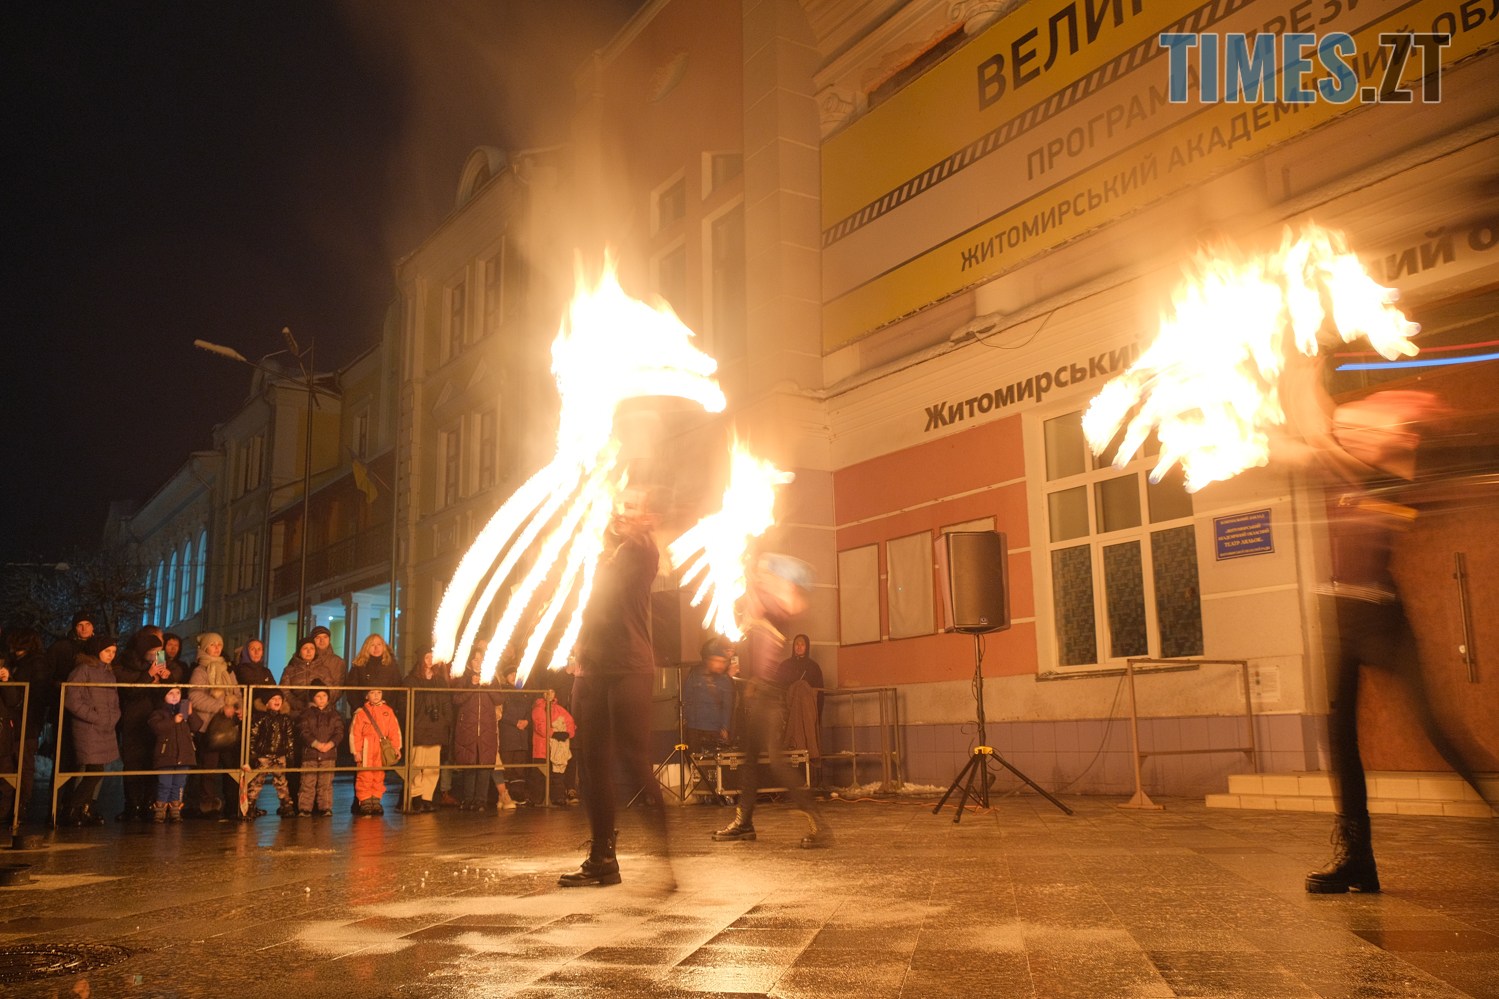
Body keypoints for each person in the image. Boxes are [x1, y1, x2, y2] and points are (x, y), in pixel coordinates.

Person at [1277, 380, 1494, 893]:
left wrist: (1314, 420)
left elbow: (1327, 443)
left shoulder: (1392, 474)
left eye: (1367, 429)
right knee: (1340, 738)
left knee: (1434, 726)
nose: (1354, 433)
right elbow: (1310, 432)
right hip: (1338, 613)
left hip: (1381, 617)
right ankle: (1358, 858)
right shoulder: (1339, 467)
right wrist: (1298, 372)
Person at [559, 486, 665, 888]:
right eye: (619, 504)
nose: (622, 510)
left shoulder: (642, 551)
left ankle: (666, 861)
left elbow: (628, 565)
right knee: (591, 764)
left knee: (634, 761)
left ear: (645, 515)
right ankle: (602, 856)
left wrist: (634, 529)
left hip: (629, 667)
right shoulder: (600, 551)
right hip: (591, 670)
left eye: (632, 506)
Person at [713, 554, 832, 849]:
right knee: (750, 760)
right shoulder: (762, 609)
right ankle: (744, 822)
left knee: (776, 762)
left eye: (768, 576)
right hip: (759, 694)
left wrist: (762, 576)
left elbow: (786, 601)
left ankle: (819, 825)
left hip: (768, 697)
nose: (761, 578)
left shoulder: (775, 610)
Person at [114, 630, 178, 820]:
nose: (158, 655)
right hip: (134, 720)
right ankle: (133, 805)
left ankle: (150, 803)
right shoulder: (127, 665)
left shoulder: (159, 665)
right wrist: (149, 675)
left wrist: (167, 678)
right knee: (133, 763)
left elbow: (169, 695)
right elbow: (130, 692)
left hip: (154, 720)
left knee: (153, 761)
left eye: (159, 651)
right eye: (154, 651)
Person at [62, 633, 122, 827]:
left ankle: (83, 809)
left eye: (114, 651)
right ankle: (72, 808)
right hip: (88, 728)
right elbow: (72, 699)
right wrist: (95, 716)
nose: (111, 655)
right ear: (97, 651)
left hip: (105, 727)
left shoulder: (109, 673)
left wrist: (114, 716)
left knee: (96, 770)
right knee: (94, 770)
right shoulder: (83, 670)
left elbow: (114, 700)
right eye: (107, 651)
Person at [187, 632, 241, 818]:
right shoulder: (200, 670)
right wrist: (220, 707)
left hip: (228, 726)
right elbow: (195, 696)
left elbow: (237, 693)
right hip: (208, 727)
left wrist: (240, 708)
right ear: (205, 648)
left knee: (231, 767)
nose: (217, 647)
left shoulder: (228, 669)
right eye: (213, 644)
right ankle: (206, 803)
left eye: (219, 644)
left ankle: (232, 803)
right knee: (208, 768)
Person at [1, 627, 48, 825]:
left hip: (25, 721)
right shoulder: (19, 662)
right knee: (13, 763)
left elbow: (33, 694)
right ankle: (11, 806)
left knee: (22, 764)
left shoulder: (34, 664)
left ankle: (19, 806)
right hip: (18, 721)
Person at [404, 649, 452, 813]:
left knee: (432, 767)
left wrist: (445, 721)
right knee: (417, 764)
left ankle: (427, 798)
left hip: (436, 728)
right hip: (419, 727)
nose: (430, 660)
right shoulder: (411, 680)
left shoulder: (440, 680)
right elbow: (406, 704)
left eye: (432, 657)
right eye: (427, 657)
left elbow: (446, 703)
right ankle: (416, 796)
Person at [450, 666, 498, 811]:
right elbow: (456, 699)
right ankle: (468, 798)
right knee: (469, 762)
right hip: (468, 728)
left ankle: (481, 800)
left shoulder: (492, 678)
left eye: (480, 660)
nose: (478, 663)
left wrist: (488, 686)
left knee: (484, 763)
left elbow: (500, 698)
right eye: (475, 660)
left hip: (486, 728)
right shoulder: (464, 678)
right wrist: (471, 685)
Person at [147, 686, 197, 823]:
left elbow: (197, 726)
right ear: (164, 696)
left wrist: (191, 714)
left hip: (184, 756)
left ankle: (175, 811)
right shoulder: (159, 712)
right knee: (164, 784)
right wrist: (173, 721)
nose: (175, 696)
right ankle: (160, 811)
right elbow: (156, 727)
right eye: (170, 693)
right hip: (166, 756)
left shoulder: (184, 711)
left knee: (179, 784)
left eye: (178, 693)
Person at [349, 687, 401, 816]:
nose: (376, 695)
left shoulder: (388, 711)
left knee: (379, 775)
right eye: (372, 692)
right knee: (364, 775)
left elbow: (394, 731)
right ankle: (365, 801)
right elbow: (355, 733)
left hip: (381, 748)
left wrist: (396, 747)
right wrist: (356, 751)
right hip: (366, 748)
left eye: (379, 692)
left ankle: (376, 801)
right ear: (366, 696)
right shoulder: (361, 713)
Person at [245, 689, 297, 819]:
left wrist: (290, 756)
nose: (277, 701)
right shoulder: (260, 718)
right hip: (263, 756)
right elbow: (253, 736)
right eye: (273, 699)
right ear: (266, 703)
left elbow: (289, 739)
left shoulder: (285, 719)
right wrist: (253, 755)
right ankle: (249, 806)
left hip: (280, 755)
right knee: (256, 782)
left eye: (279, 699)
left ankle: (286, 805)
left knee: (282, 782)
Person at [683, 637, 735, 755]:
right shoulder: (694, 676)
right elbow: (686, 698)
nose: (721, 665)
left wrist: (725, 728)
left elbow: (727, 706)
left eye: (723, 662)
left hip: (714, 730)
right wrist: (685, 720)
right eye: (717, 660)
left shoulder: (725, 680)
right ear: (708, 660)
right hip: (694, 728)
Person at [296, 686, 342, 817]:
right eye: (318, 696)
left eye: (324, 696)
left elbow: (339, 732)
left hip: (328, 754)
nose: (322, 699)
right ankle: (304, 808)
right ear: (313, 698)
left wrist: (330, 744)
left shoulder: (334, 715)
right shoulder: (306, 714)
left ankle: (325, 807)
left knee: (326, 783)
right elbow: (303, 731)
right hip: (310, 754)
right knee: (307, 782)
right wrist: (315, 744)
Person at [531, 692, 577, 807]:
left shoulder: (559, 709)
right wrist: (554, 733)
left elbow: (570, 723)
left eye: (552, 692)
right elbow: (540, 726)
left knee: (557, 774)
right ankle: (538, 799)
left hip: (557, 748)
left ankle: (557, 797)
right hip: (542, 749)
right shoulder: (538, 709)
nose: (550, 694)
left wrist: (568, 733)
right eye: (547, 692)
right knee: (540, 775)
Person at [497, 664, 533, 806]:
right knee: (506, 767)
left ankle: (518, 795)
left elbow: (530, 710)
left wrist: (527, 721)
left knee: (519, 768)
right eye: (510, 674)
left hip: (521, 736)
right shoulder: (502, 691)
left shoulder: (524, 692)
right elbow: (500, 713)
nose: (513, 676)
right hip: (508, 734)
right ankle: (505, 795)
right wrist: (515, 722)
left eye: (515, 674)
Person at [349, 634, 404, 721]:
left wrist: (390, 708)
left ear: (383, 646)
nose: (376, 648)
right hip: (364, 713)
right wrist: (358, 707)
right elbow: (351, 690)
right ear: (366, 647)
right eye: (372, 645)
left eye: (379, 644)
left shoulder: (392, 665)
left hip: (386, 713)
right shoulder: (359, 665)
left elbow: (397, 689)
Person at [233, 639, 279, 713]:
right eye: (252, 649)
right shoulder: (240, 669)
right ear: (246, 652)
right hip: (246, 710)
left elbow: (274, 689)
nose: (256, 652)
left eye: (259, 649)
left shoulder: (266, 671)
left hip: (265, 710)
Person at [280, 637, 322, 714]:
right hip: (296, 712)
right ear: (299, 652)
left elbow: (331, 689)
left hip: (320, 712)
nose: (309, 651)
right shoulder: (289, 670)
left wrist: (320, 703)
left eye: (312, 648)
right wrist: (297, 704)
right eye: (305, 648)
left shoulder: (324, 670)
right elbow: (284, 690)